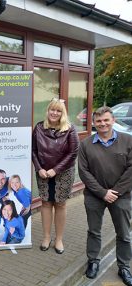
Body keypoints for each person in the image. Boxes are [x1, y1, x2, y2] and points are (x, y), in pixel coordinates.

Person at [78, 106, 132, 285]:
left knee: (124, 233)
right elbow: (84, 172)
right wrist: (102, 193)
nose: (103, 124)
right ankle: (93, 261)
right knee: (94, 231)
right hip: (94, 196)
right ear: (94, 123)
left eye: (106, 120)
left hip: (121, 196)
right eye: (99, 121)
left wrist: (114, 192)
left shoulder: (128, 140)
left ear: (113, 121)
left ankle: (124, 266)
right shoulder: (86, 144)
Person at [32, 98, 79, 254]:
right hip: (43, 172)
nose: (54, 113)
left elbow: (73, 153)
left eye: (58, 110)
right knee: (45, 203)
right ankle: (46, 237)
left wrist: (56, 170)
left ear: (62, 113)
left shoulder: (70, 129)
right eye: (52, 109)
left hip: (63, 173)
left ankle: (58, 239)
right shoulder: (39, 128)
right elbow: (33, 150)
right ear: (48, 111)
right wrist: (39, 168)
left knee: (60, 204)